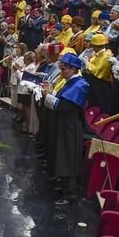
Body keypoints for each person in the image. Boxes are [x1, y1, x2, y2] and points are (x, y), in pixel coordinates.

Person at [41, 53, 89, 205]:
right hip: (65, 124)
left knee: (68, 156)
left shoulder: (80, 85)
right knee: (62, 154)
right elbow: (62, 99)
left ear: (73, 69)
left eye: (64, 69)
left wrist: (48, 95)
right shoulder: (70, 82)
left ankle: (71, 192)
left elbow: (62, 106)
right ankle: (63, 184)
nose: (61, 72)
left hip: (70, 126)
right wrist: (52, 93)